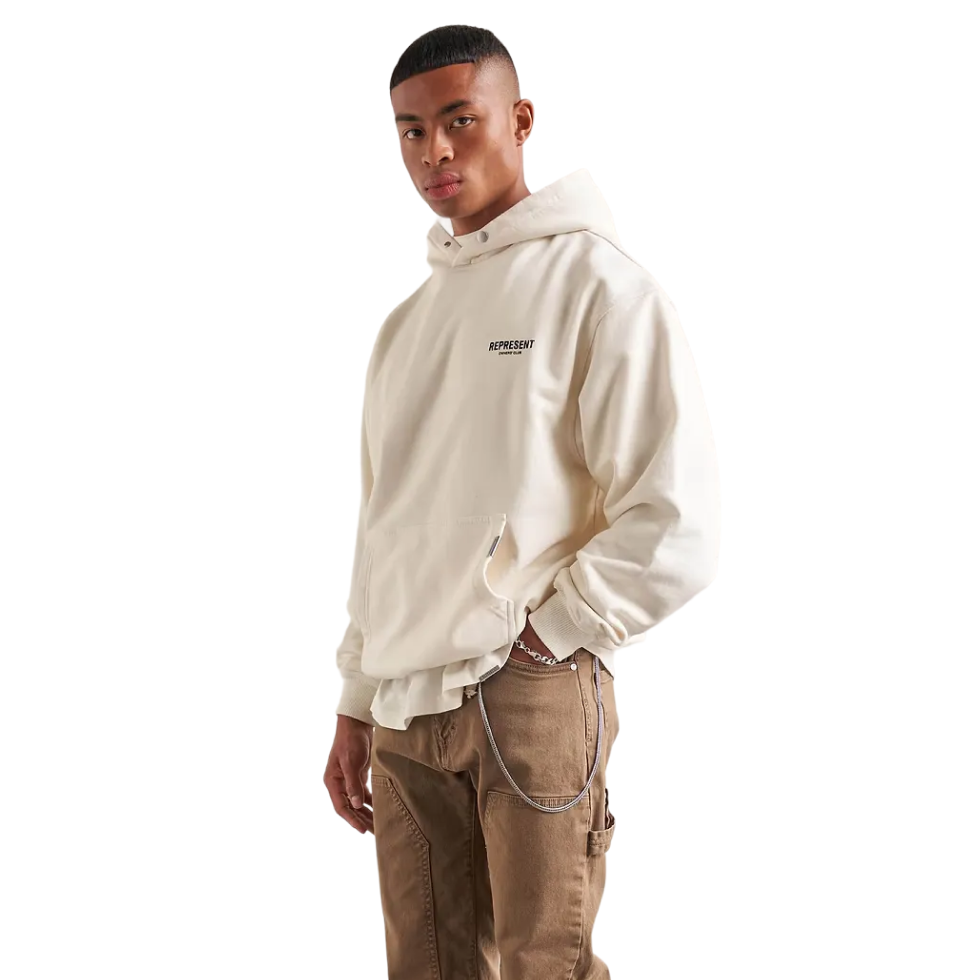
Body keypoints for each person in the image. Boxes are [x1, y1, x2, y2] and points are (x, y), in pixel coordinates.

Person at [322, 23, 721, 979]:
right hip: (404, 703)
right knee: (426, 969)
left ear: (521, 119)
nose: (435, 151)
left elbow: (676, 516)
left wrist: (552, 635)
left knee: (547, 968)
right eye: (411, 130)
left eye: (460, 120)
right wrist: (356, 695)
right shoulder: (406, 327)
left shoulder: (598, 286)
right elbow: (384, 524)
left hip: (528, 689)